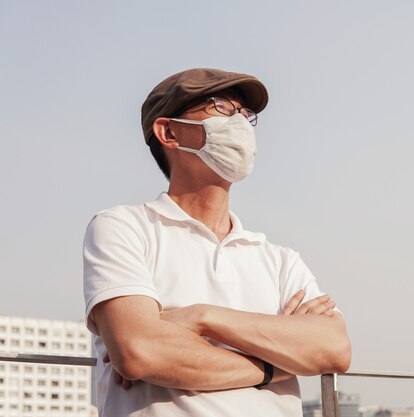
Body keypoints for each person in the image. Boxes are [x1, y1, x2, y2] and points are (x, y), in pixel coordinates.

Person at [83, 68, 351, 417]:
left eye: (245, 114)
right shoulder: (123, 228)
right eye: (222, 107)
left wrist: (200, 317)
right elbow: (139, 351)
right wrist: (276, 366)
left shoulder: (279, 259)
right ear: (169, 131)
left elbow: (334, 349)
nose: (239, 121)